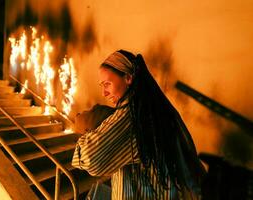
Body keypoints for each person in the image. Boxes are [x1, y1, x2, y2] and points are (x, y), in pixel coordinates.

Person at [72, 50, 206, 200]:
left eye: (107, 84)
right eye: (102, 85)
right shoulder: (152, 107)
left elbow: (91, 158)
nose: (104, 93)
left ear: (128, 78)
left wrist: (83, 133)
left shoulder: (131, 113)